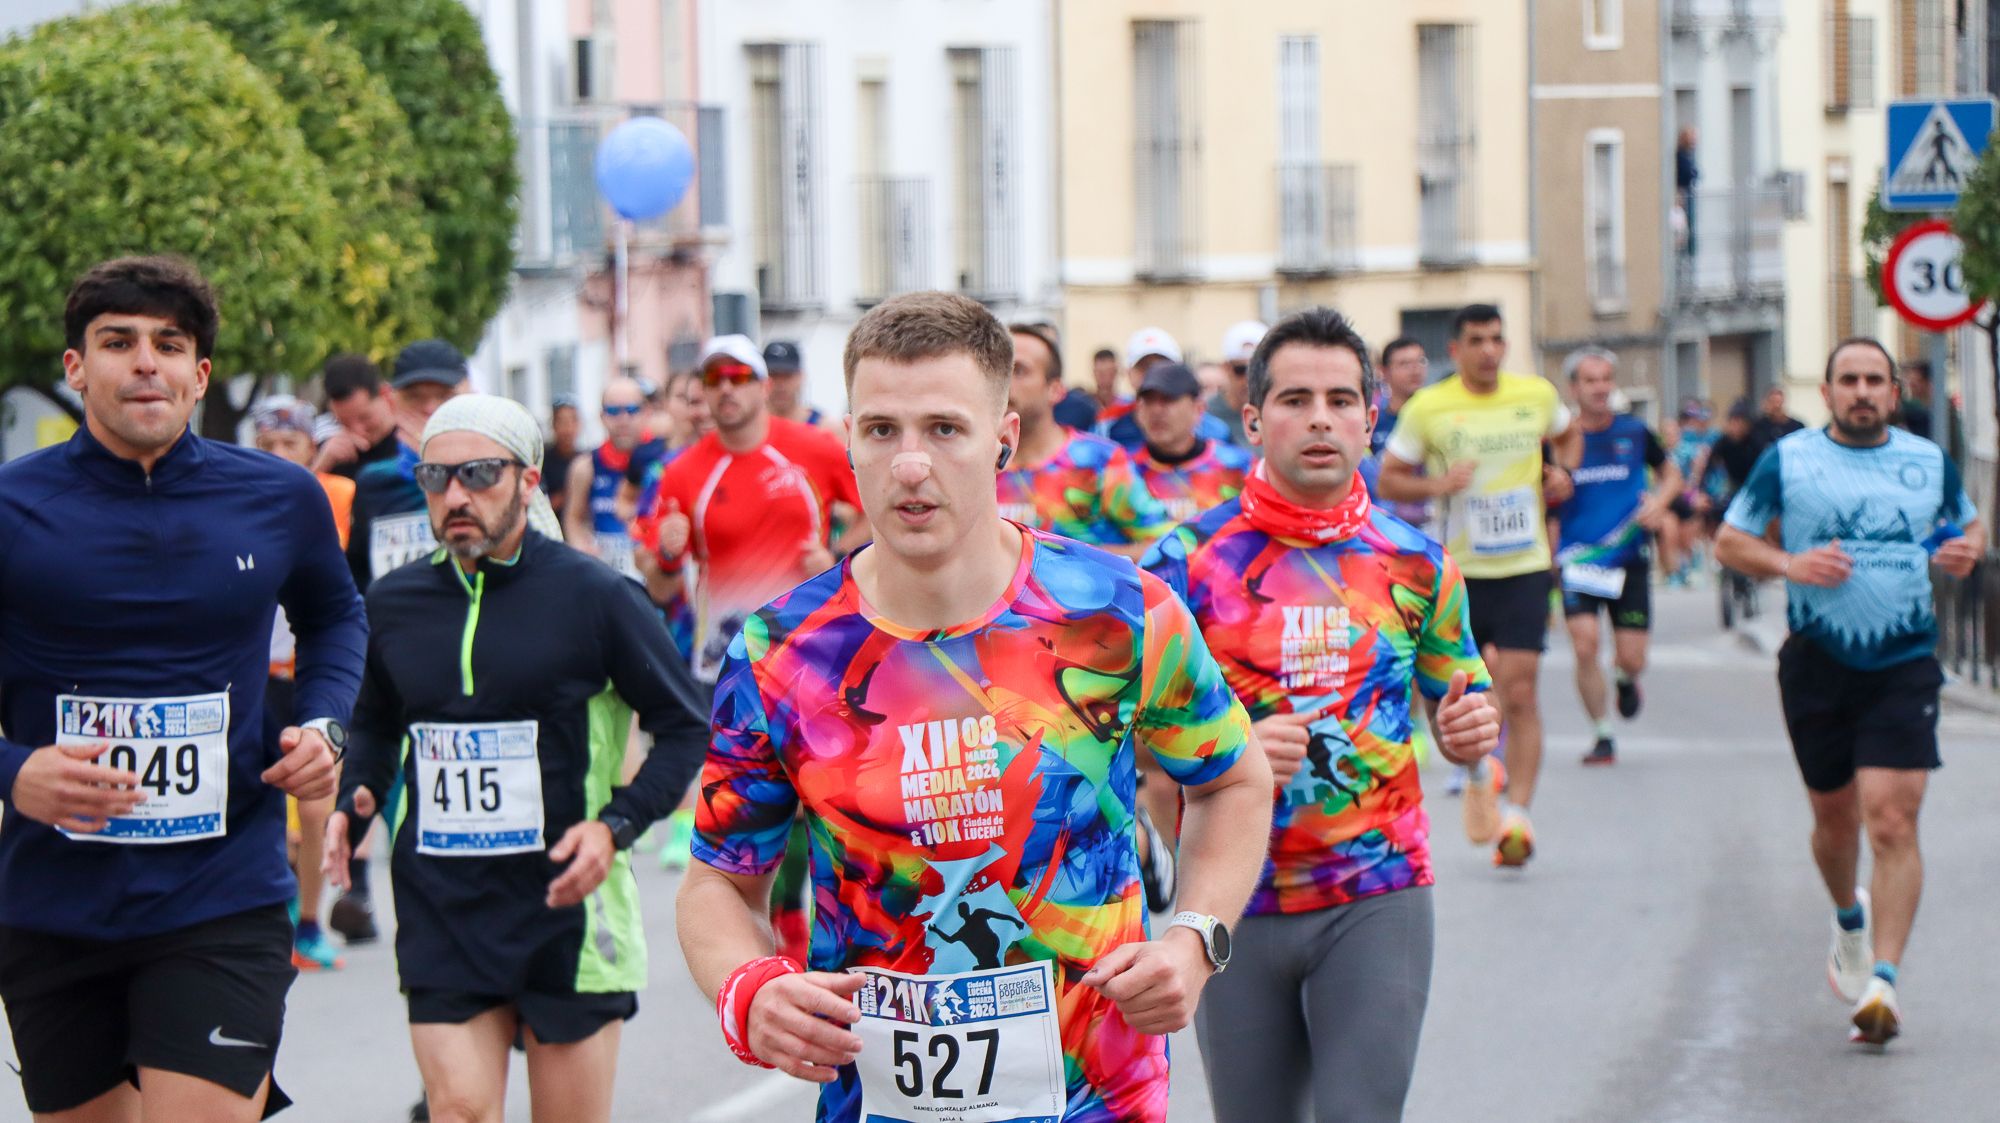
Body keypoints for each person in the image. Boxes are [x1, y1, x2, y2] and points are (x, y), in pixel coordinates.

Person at [677, 291, 1274, 1123]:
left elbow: (1234, 780)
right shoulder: (782, 653)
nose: (909, 465)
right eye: (881, 430)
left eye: (944, 429)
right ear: (848, 439)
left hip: (1097, 1096)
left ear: (1004, 439)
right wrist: (748, 988)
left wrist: (1195, 939)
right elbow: (717, 879)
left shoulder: (1118, 611)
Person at [0, 256, 364, 1122]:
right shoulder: (13, 506)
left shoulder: (280, 496)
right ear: (75, 366)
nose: (145, 363)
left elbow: (335, 615)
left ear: (200, 375)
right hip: (55, 900)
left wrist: (324, 724)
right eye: (117, 342)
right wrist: (13, 771)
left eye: (169, 345)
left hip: (222, 893)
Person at [1143, 306, 1501, 1123]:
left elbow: (1463, 699)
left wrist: (1469, 731)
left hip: (1377, 890)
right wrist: (1229, 750)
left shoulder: (1417, 563)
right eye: (1295, 399)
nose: (1319, 419)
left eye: (1341, 400)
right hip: (1231, 900)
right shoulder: (1183, 565)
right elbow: (1127, 739)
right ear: (1252, 419)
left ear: (1371, 420)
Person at [325, 395, 709, 1123]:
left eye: (478, 474)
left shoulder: (596, 596)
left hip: (566, 905)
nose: (455, 496)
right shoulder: (395, 602)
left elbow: (685, 727)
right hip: (443, 907)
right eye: (436, 478)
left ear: (529, 479)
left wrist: (616, 826)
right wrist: (359, 795)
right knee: (459, 1112)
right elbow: (375, 720)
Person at [1714, 338, 1983, 1047]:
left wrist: (1967, 548)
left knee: (1892, 820)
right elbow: (1729, 540)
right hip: (1817, 661)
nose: (1862, 391)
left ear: (1894, 393)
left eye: (1874, 380)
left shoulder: (1928, 460)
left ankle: (1883, 982)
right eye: (1848, 380)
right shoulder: (1789, 460)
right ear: (1827, 392)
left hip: (1904, 661)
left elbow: (1967, 522)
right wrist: (1788, 563)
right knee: (1835, 823)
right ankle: (1848, 919)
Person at [1378, 303, 1580, 868]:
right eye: (1476, 340)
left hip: (1524, 565)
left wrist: (1562, 474)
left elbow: (1569, 436)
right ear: (1456, 349)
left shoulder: (1535, 395)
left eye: (1497, 339)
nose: (1489, 350)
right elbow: (1390, 478)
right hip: (1458, 574)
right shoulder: (1429, 407)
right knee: (1466, 695)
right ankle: (1477, 770)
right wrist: (1439, 483)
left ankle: (1518, 815)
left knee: (1520, 692)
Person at [637, 335, 869, 686]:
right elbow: (660, 591)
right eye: (714, 379)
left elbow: (876, 511)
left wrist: (838, 560)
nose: (726, 388)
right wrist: (668, 557)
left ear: (764, 386)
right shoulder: (681, 472)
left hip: (808, 654)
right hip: (727, 664)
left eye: (739, 376)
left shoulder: (814, 447)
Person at [250, 395, 357, 974]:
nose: (277, 454)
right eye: (266, 445)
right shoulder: (237, 500)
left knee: (315, 808)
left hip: (311, 676)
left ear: (311, 448)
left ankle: (310, 924)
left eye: (288, 444)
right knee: (261, 804)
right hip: (257, 678)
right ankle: (271, 918)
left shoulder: (337, 496)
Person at [1550, 349, 1682, 766]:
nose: (1601, 388)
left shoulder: (1635, 432)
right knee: (1585, 646)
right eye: (1591, 380)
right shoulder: (1558, 441)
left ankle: (1626, 678)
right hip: (1578, 560)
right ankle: (1602, 733)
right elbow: (1543, 498)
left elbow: (1671, 474)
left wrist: (1659, 503)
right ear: (1574, 388)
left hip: (1628, 560)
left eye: (1606, 379)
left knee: (1633, 657)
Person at [1000, 323, 1172, 560]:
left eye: (1018, 371)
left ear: (1055, 389)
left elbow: (1164, 545)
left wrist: (1079, 561)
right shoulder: (976, 462)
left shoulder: (1100, 462)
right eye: (996, 369)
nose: (1003, 381)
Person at [345, 339, 471, 594]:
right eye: (414, 397)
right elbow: (357, 578)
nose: (430, 409)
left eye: (445, 396)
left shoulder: (493, 476)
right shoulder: (374, 482)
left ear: (470, 396)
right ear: (391, 401)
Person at [561, 376, 660, 580]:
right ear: (602, 416)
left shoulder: (664, 462)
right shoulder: (586, 467)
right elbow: (573, 519)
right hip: (609, 580)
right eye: (614, 411)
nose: (623, 420)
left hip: (655, 579)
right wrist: (581, 547)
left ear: (647, 412)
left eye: (631, 410)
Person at [1130, 361, 1253, 524]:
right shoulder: (1124, 470)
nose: (1156, 410)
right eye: (1148, 401)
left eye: (1168, 399)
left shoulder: (1238, 466)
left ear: (1198, 408)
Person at [1101, 328, 1232, 451]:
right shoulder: (1107, 428)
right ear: (1129, 374)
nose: (1154, 373)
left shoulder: (1215, 431)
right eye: (1144, 367)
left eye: (1163, 365)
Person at [1361, 336, 1434, 528]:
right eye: (1404, 364)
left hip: (1433, 521)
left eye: (1421, 361)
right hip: (1385, 524)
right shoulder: (1373, 418)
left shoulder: (1438, 416)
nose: (1415, 370)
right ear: (1383, 371)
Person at [313, 353, 404, 479]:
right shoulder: (337, 455)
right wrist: (321, 466)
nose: (358, 431)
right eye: (344, 422)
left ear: (385, 394)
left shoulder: (413, 444)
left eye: (365, 418)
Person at [1205, 320, 1266, 447]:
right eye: (1241, 370)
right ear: (1225, 368)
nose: (1249, 378)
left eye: (1258, 370)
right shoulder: (1206, 417)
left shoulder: (1279, 414)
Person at [1897, 358, 1965, 465]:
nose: (1911, 388)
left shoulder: (1943, 414)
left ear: (1928, 383)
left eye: (1914, 384)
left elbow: (1956, 450)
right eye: (1909, 384)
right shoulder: (1917, 411)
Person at [764, 340, 833, 429]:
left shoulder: (825, 427)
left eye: (787, 375)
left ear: (801, 376)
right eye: (774, 375)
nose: (780, 384)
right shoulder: (750, 427)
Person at [541, 394, 581, 521]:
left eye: (573, 421)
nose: (568, 429)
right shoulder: (542, 460)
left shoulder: (586, 460)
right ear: (553, 425)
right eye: (562, 422)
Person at [1088, 345, 1126, 415]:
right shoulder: (1085, 404)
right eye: (1101, 373)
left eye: (1110, 372)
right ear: (1094, 373)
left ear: (1116, 372)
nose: (1106, 379)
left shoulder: (1126, 405)